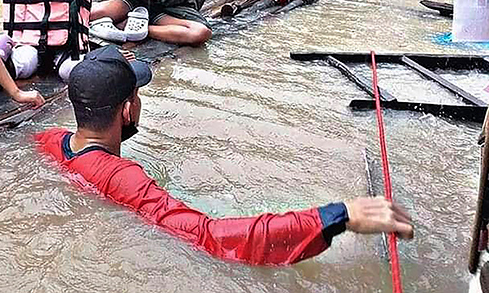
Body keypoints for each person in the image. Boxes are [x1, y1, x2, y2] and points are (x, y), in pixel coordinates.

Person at [36, 45, 415, 266]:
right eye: (137, 96)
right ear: (126, 110)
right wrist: (337, 215)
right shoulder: (124, 177)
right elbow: (212, 238)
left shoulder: (50, 141)